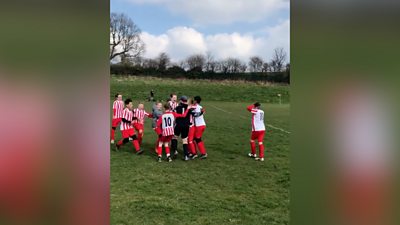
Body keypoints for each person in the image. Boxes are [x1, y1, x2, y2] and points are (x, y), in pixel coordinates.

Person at [173, 96, 192, 160]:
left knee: (174, 137)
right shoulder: (189, 108)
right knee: (185, 140)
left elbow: (174, 114)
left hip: (178, 125)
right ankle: (186, 155)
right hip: (186, 126)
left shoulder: (177, 107)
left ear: (181, 101)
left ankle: (175, 151)